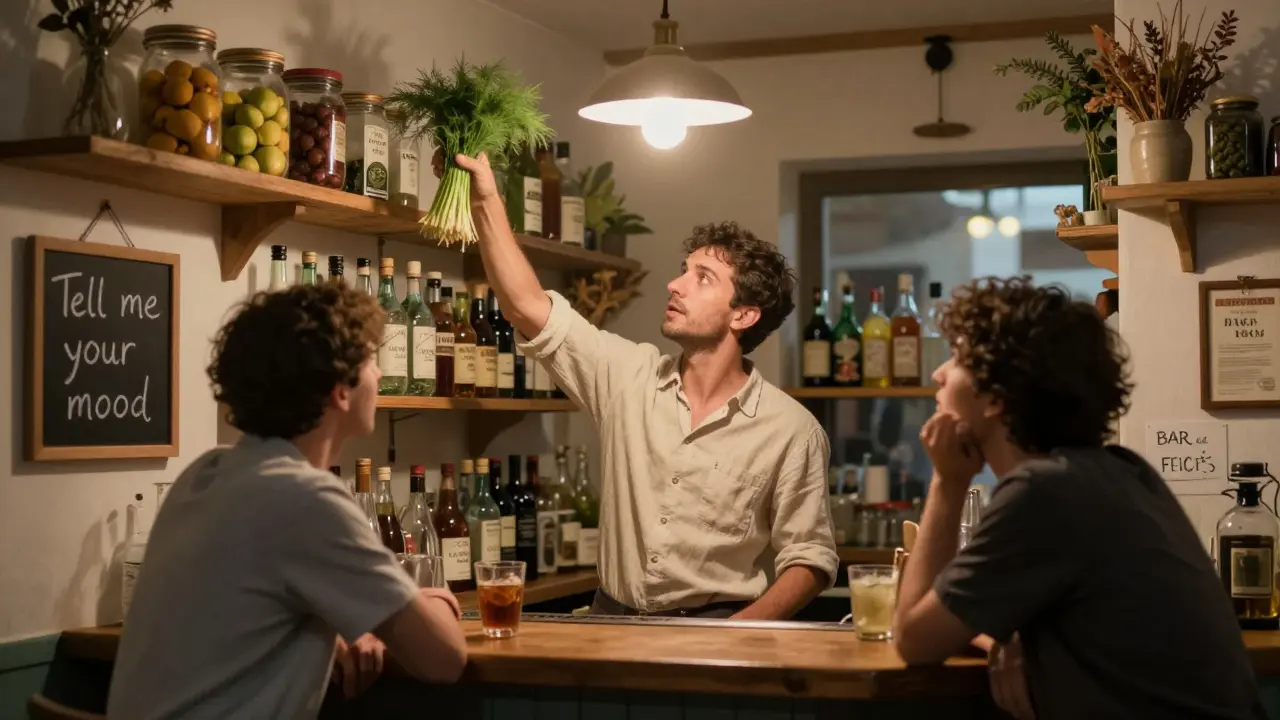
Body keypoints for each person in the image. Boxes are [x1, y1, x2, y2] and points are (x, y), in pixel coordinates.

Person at [437, 151, 837, 619]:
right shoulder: (627, 376)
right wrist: (485, 197)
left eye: (701, 278)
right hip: (612, 622)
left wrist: (737, 632)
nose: (674, 284)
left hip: (717, 633)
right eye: (682, 269)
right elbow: (526, 306)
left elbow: (809, 558)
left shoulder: (791, 430)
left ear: (743, 315)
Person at [892, 276, 1264, 720]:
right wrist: (1008, 638)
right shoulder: (1122, 471)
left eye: (956, 358)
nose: (938, 373)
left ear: (995, 397)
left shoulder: (1042, 493)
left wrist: (947, 482)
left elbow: (914, 640)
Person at [107, 284, 467, 720]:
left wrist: (328, 628)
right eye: (372, 361)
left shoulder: (203, 476)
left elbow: (239, 616)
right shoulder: (306, 500)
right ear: (341, 389)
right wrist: (440, 597)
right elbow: (444, 659)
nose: (377, 375)